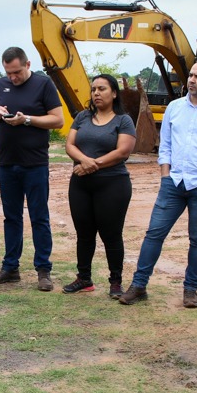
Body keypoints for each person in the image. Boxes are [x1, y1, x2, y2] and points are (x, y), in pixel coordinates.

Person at [120, 59, 197, 308]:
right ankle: (139, 285)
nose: (192, 80)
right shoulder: (174, 107)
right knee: (154, 234)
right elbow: (166, 145)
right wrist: (165, 175)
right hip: (173, 182)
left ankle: (190, 290)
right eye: (191, 75)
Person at [0, 47, 64, 291]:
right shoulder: (0, 85)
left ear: (28, 64)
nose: (13, 77)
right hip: (7, 163)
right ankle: (10, 268)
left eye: (17, 72)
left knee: (39, 217)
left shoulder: (44, 84)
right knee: (11, 217)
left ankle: (43, 270)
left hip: (35, 163)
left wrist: (27, 119)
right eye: (9, 73)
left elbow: (58, 119)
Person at [63, 74, 137, 298]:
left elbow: (122, 152)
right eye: (94, 89)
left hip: (113, 184)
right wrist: (84, 162)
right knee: (84, 234)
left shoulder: (123, 120)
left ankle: (116, 282)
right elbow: (70, 145)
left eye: (102, 89)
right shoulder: (83, 117)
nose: (96, 93)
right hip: (80, 184)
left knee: (111, 234)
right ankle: (84, 278)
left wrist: (91, 165)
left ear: (114, 93)